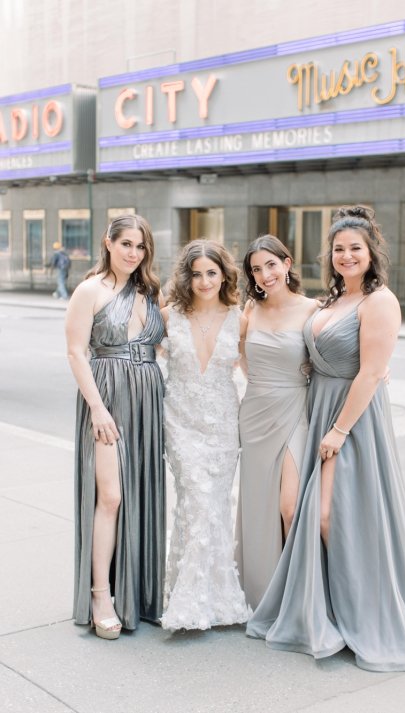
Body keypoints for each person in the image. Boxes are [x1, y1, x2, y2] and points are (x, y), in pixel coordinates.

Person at [247, 206, 405, 672]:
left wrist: (339, 430)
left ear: (371, 252)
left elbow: (373, 371)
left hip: (352, 419)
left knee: (331, 517)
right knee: (319, 516)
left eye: (354, 249)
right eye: (339, 249)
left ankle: (363, 615)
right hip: (317, 405)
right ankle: (328, 612)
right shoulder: (331, 300)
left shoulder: (379, 300)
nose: (346, 256)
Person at [65, 214, 165, 639]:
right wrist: (97, 408)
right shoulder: (90, 290)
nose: (132, 253)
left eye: (139, 246)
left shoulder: (150, 291)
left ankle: (138, 593)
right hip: (106, 397)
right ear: (108, 242)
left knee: (139, 494)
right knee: (110, 495)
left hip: (146, 398)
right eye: (125, 243)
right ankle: (100, 593)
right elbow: (75, 353)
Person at [159, 239, 251, 631]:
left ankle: (217, 599)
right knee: (195, 502)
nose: (203, 281)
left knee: (214, 507)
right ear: (186, 276)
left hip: (223, 426)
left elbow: (256, 371)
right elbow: (140, 357)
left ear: (224, 274)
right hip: (180, 421)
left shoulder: (240, 319)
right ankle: (188, 604)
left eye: (211, 273)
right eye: (196, 273)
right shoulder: (168, 316)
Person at [235, 234, 318, 609]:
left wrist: (380, 371)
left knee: (290, 507)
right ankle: (264, 594)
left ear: (288, 263)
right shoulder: (250, 311)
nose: (264, 274)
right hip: (255, 413)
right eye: (256, 269)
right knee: (258, 508)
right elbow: (238, 354)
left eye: (271, 264)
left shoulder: (313, 309)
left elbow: (339, 353)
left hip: (294, 409)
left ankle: (296, 599)